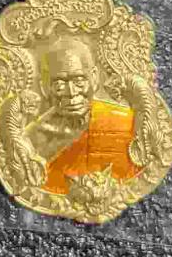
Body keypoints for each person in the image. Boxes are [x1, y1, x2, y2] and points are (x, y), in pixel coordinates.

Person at [26, 41, 139, 194]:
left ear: (94, 77)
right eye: (59, 84)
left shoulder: (125, 123)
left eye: (79, 81)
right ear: (44, 86)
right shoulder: (32, 140)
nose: (71, 93)